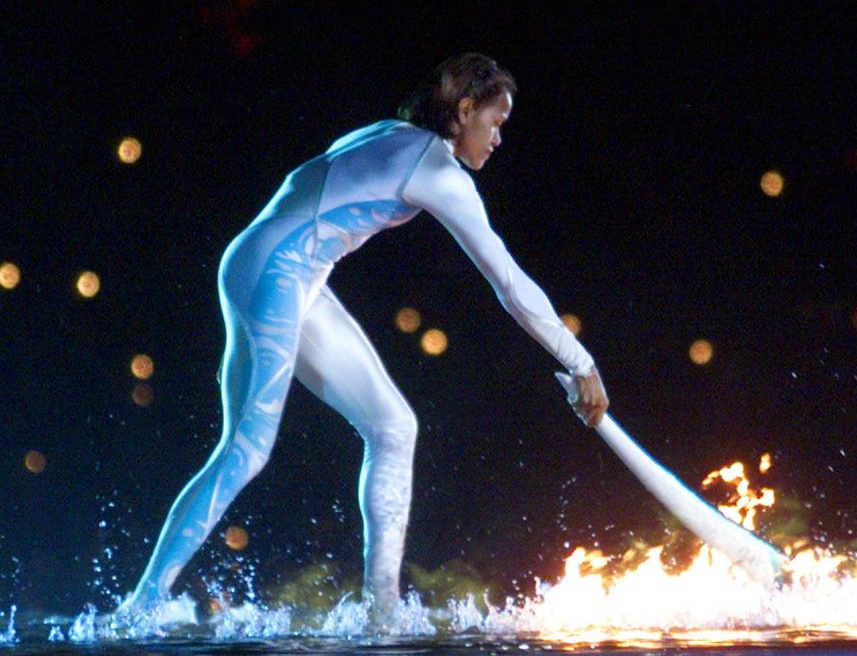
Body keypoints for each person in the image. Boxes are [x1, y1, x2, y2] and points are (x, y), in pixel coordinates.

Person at [118, 53, 609, 623]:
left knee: (394, 427)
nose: (499, 138)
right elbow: (509, 283)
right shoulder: (436, 169)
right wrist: (581, 362)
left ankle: (382, 613)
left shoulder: (391, 134)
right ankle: (142, 603)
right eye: (495, 122)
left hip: (284, 273)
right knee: (248, 447)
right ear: (465, 109)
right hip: (275, 272)